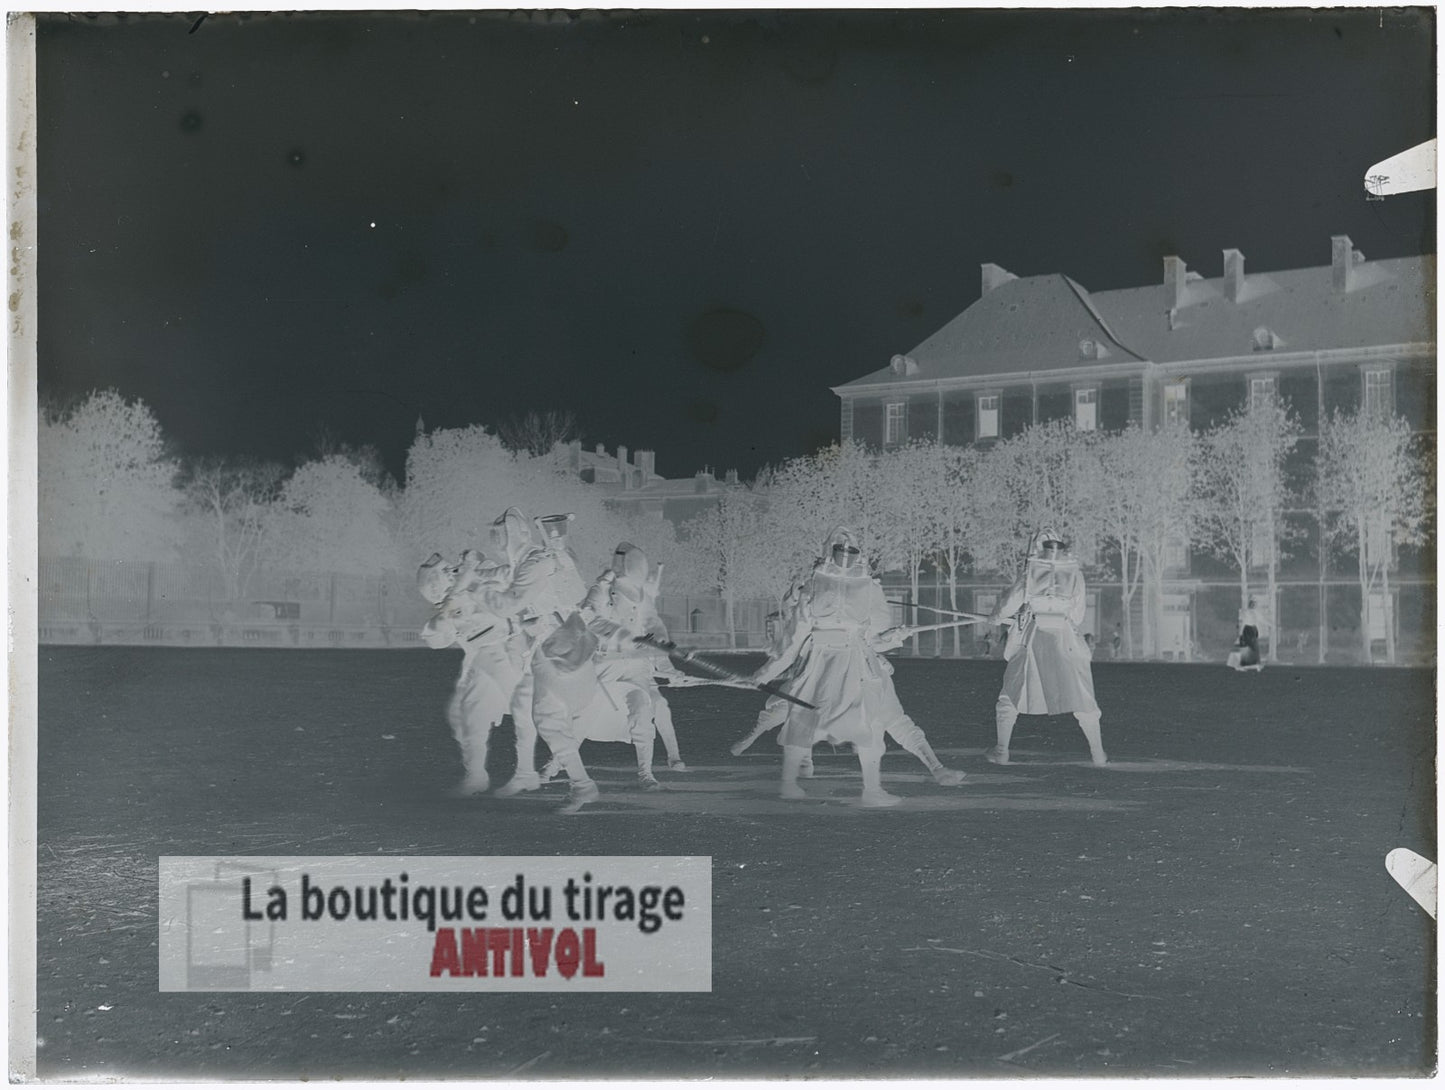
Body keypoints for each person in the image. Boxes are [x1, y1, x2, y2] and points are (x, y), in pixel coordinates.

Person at [753, 527, 962, 806]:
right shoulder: (812, 587)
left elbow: (874, 637)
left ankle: (914, 776)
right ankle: (808, 784)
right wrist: (764, 673)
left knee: (879, 719)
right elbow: (793, 641)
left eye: (851, 550)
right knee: (823, 721)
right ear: (830, 552)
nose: (846, 555)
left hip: (856, 663)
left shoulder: (867, 588)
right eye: (841, 550)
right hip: (826, 665)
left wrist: (893, 636)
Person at [480, 506, 588, 799]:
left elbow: (509, 604)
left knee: (546, 718)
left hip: (561, 646)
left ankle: (582, 785)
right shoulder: (524, 562)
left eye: (503, 532)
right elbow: (520, 603)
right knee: (521, 706)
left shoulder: (534, 563)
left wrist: (478, 592)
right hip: (547, 643)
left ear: (521, 533)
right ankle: (526, 773)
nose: (498, 538)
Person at [986, 528, 1107, 767]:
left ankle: (1002, 750)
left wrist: (997, 616)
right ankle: (1098, 754)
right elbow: (1078, 614)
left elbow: (1010, 603)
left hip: (1034, 638)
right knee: (1082, 697)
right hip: (1065, 637)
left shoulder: (1032, 571)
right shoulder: (1075, 574)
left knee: (1010, 694)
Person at [577, 541, 686, 787]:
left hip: (637, 669)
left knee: (644, 710)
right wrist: (623, 636)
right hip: (606, 667)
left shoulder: (643, 596)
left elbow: (655, 634)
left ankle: (645, 773)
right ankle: (555, 763)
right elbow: (590, 620)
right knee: (582, 717)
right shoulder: (602, 589)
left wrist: (670, 670)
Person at [416, 550, 521, 795]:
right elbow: (435, 638)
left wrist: (475, 570)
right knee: (466, 715)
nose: (451, 571)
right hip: (482, 659)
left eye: (449, 569)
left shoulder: (475, 577)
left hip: (510, 648)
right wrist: (447, 609)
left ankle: (566, 764)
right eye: (445, 572)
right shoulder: (448, 607)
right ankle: (476, 775)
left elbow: (504, 577)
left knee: (533, 709)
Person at [1231, 598, 1265, 672]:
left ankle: (1256, 665)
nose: (1254, 606)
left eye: (1255, 605)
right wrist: (1240, 633)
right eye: (1253, 604)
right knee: (1246, 647)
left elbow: (1257, 622)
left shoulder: (1255, 613)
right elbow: (1243, 622)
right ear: (1250, 605)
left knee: (1254, 648)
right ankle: (1240, 665)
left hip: (1252, 629)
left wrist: (1256, 630)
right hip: (1247, 630)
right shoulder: (1246, 612)